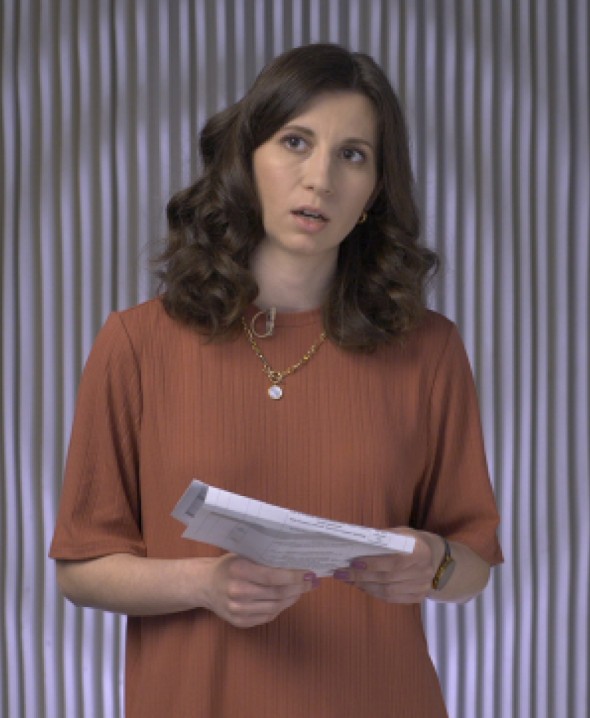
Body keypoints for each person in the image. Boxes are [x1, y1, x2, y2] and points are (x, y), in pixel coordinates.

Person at [50, 43, 502, 717]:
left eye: (353, 155)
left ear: (374, 192)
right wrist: (204, 583)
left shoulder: (429, 350)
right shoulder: (137, 345)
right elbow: (82, 569)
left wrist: (435, 560)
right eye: (296, 142)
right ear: (248, 159)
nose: (320, 179)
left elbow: (473, 565)